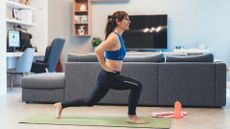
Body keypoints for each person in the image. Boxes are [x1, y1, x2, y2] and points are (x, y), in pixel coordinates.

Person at [54, 11, 147, 124]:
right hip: (108, 76)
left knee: (89, 101)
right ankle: (132, 116)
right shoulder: (114, 37)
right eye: (126, 19)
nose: (129, 21)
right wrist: (105, 66)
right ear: (118, 21)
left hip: (107, 77)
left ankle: (61, 105)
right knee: (138, 86)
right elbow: (98, 50)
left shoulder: (119, 37)